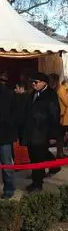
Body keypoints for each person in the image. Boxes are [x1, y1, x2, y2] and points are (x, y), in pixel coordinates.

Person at [22, 72, 60, 192]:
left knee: (37, 158)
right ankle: (46, 170)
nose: (33, 84)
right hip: (31, 131)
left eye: (36, 82)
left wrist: (53, 135)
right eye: (32, 82)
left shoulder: (50, 95)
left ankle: (37, 184)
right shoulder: (33, 93)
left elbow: (54, 115)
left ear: (44, 82)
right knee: (34, 156)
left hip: (42, 132)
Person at [0, 71, 17, 199]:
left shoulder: (9, 94)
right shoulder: (10, 93)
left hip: (4, 135)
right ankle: (9, 189)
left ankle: (9, 189)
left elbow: (12, 116)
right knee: (6, 164)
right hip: (5, 135)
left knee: (6, 164)